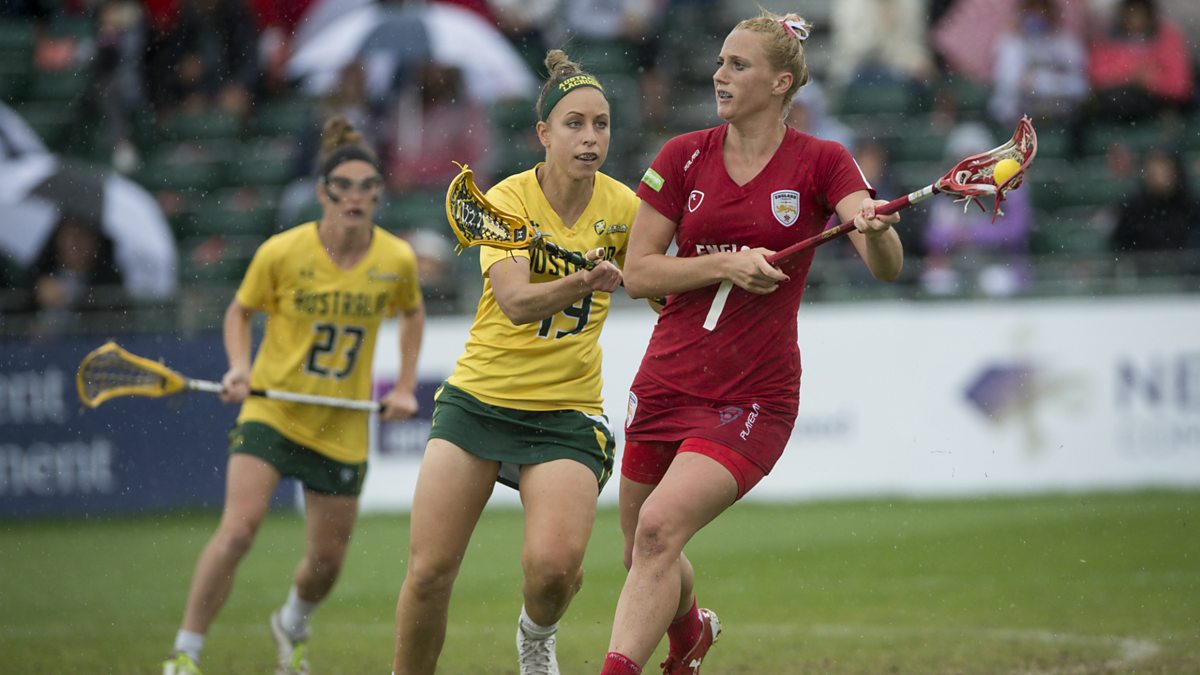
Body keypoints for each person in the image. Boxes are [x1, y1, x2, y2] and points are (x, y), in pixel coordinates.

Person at [599, 11, 903, 675]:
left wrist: (873, 228)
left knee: (657, 531)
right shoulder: (681, 155)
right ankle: (689, 638)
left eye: (738, 64)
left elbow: (885, 262)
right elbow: (640, 274)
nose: (720, 74)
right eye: (720, 61)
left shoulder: (824, 160)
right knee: (638, 551)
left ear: (781, 81)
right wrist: (725, 262)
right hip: (667, 378)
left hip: (753, 393)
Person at [392, 49, 642, 675]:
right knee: (427, 573)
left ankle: (535, 636)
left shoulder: (626, 208)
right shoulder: (507, 198)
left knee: (555, 571)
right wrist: (586, 282)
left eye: (602, 125)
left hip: (566, 413)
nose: (590, 138)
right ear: (543, 133)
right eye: (575, 124)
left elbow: (664, 285)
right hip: (478, 400)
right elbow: (515, 302)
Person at [161, 114, 426, 675]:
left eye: (367, 188)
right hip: (274, 412)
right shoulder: (282, 252)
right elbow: (239, 312)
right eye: (344, 187)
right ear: (322, 194)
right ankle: (185, 653)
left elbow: (412, 314)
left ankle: (293, 622)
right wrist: (239, 367)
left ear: (380, 194)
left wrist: (404, 385)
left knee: (326, 564)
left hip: (342, 427)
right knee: (238, 529)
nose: (356, 197)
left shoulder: (395, 259)